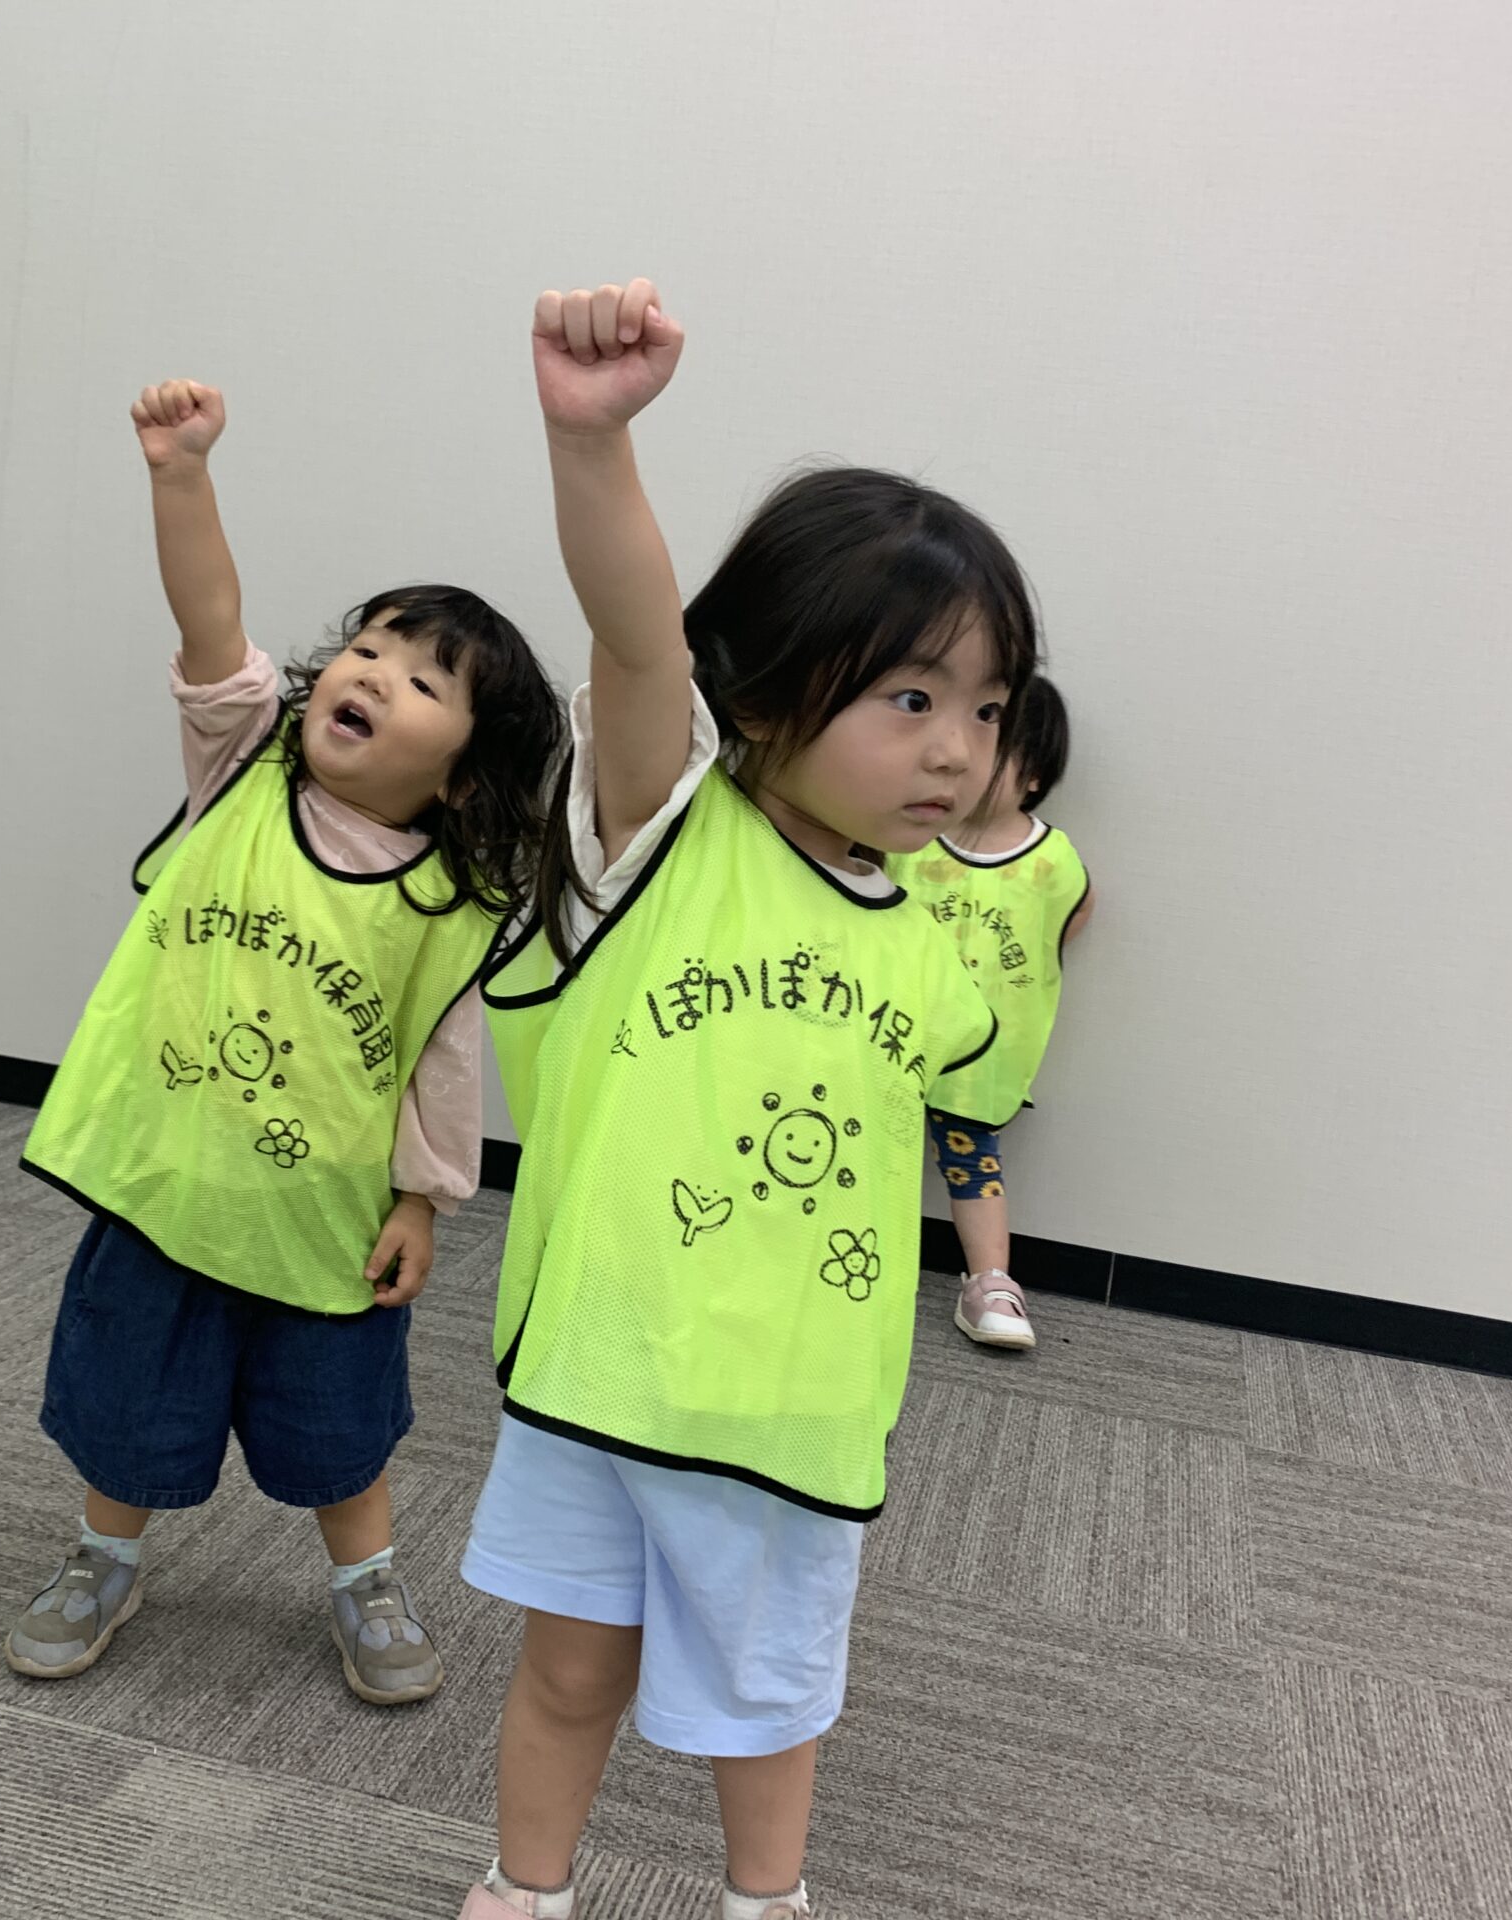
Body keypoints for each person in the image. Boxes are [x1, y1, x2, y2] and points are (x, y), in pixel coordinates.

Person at [457, 280, 1035, 1920]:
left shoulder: (925, 934)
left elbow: (961, 1072)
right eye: (910, 699)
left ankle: (764, 1904)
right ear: (768, 691)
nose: (958, 751)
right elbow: (640, 634)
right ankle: (523, 1892)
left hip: (786, 1412)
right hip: (602, 1372)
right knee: (570, 1672)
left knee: (767, 1713)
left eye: (987, 710)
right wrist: (593, 441)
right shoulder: (661, 832)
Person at [3, 377, 563, 1706]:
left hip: (323, 1216)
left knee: (336, 1430)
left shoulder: (447, 899)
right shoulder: (242, 767)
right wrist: (180, 474)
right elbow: (210, 621)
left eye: (421, 680)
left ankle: (366, 1582)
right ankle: (101, 1558)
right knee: (129, 1404)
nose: (371, 674)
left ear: (462, 774)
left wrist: (424, 1202)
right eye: (367, 649)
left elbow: (440, 1060)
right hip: (166, 1179)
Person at [887, 674, 1094, 1349]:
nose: (969, 766)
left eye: (995, 753)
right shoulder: (911, 841)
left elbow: (1069, 921)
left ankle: (991, 1283)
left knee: (974, 1164)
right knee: (864, 1143)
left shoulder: (1052, 864)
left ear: (1033, 777)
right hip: (890, 1041)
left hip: (979, 1058)